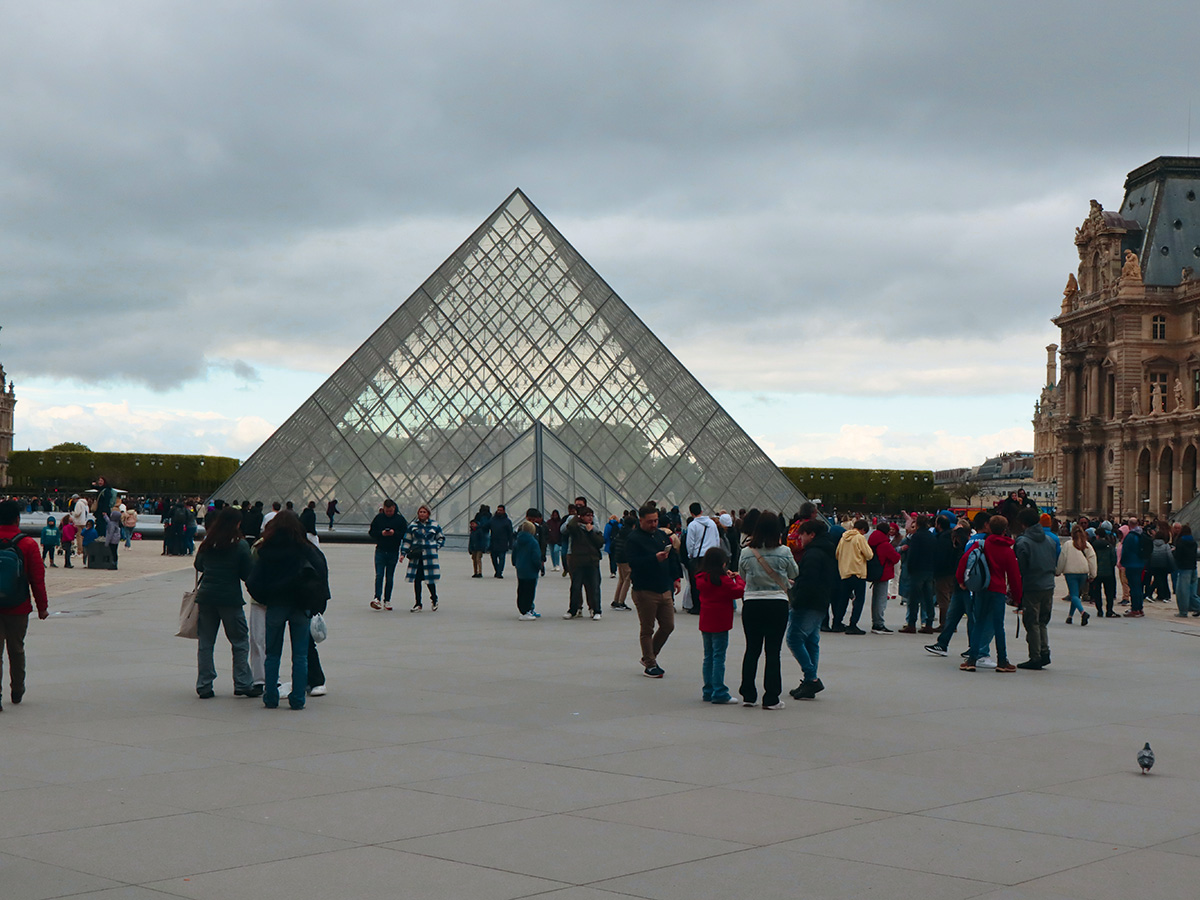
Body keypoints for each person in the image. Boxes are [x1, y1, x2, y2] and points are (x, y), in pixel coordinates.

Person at [246, 511, 329, 710]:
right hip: (300, 605)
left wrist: (266, 598)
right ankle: (298, 699)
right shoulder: (306, 549)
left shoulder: (266, 550)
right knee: (300, 656)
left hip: (276, 604)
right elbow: (321, 574)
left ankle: (270, 697)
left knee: (272, 654)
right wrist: (315, 604)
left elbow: (252, 581)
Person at [192, 507, 257, 698]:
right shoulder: (240, 545)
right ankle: (242, 682)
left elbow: (198, 565)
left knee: (205, 641)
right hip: (230, 598)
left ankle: (204, 684)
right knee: (239, 641)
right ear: (237, 523)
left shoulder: (208, 542)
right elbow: (247, 573)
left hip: (206, 597)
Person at [738, 511, 798, 709]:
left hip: (753, 602)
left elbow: (743, 576)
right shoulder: (783, 551)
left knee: (752, 649)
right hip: (776, 603)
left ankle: (748, 694)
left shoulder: (747, 552)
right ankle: (771, 697)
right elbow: (794, 572)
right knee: (773, 651)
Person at [0, 499, 50, 710]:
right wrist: (42, 607)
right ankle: (17, 689)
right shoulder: (28, 544)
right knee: (16, 650)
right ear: (18, 518)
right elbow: (37, 578)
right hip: (18, 606)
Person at [957, 515, 1021, 672]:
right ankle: (1002, 661)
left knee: (978, 623)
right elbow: (1014, 576)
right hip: (998, 590)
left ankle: (972, 659)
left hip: (982, 588)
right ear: (1005, 530)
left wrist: (961, 580)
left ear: (990, 528)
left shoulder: (980, 545)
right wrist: (1018, 598)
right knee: (999, 626)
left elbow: (964, 561)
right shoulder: (1007, 551)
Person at [625, 504, 681, 677]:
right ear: (640, 520)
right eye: (650, 521)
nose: (654, 524)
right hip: (645, 589)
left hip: (664, 587)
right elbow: (633, 563)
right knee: (647, 628)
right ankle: (650, 663)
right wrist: (654, 558)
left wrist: (676, 578)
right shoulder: (634, 539)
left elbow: (672, 557)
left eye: (656, 520)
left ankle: (650, 655)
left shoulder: (661, 535)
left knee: (668, 626)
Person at [787, 518, 838, 700]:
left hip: (808, 603)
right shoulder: (827, 550)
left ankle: (811, 678)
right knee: (811, 641)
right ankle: (810, 681)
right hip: (821, 602)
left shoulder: (813, 553)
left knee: (794, 638)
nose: (799, 537)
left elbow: (809, 581)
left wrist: (797, 599)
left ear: (812, 534)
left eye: (802, 533)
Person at [1014, 506, 1060, 668]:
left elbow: (1021, 569)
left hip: (1032, 585)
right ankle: (1044, 651)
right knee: (1042, 621)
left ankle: (1035, 656)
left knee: (1031, 622)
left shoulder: (1023, 541)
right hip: (1048, 584)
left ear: (1023, 524)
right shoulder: (1050, 540)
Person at [697, 546, 743, 704]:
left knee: (708, 656)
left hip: (706, 620)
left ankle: (708, 690)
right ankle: (719, 691)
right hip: (721, 620)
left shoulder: (702, 578)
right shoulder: (723, 581)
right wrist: (738, 578)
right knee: (719, 657)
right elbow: (738, 591)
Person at [832, 519, 873, 634]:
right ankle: (852, 625)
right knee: (859, 600)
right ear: (863, 530)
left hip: (845, 572)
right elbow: (869, 555)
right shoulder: (860, 538)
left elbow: (837, 554)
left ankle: (837, 623)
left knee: (843, 599)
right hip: (858, 572)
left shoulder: (843, 537)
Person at [563, 507, 605, 619]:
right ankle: (573, 609)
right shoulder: (576, 529)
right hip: (579, 562)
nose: (590, 517)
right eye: (587, 515)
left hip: (592, 562)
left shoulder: (595, 530)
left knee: (594, 587)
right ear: (581, 517)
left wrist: (591, 532)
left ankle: (597, 610)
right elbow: (569, 526)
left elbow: (600, 542)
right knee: (576, 587)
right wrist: (576, 516)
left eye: (591, 515)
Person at [402, 505, 445, 612]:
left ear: (428, 514)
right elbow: (407, 540)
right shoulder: (412, 525)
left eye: (424, 512)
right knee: (417, 580)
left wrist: (436, 547)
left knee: (429, 580)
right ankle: (418, 603)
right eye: (420, 512)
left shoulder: (435, 525)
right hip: (417, 557)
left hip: (429, 556)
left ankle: (434, 599)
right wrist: (403, 553)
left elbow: (441, 538)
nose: (422, 514)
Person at [899, 515, 937, 634]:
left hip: (917, 570)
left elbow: (912, 554)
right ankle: (928, 623)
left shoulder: (916, 537)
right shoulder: (932, 537)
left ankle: (911, 623)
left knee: (914, 598)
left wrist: (910, 568)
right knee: (928, 598)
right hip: (929, 570)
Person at [368, 499, 407, 610]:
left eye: (390, 511)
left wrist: (394, 533)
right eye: (387, 510)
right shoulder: (378, 518)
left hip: (393, 551)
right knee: (379, 575)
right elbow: (371, 532)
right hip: (380, 550)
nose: (389, 512)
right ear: (383, 508)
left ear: (394, 508)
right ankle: (377, 598)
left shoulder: (400, 519)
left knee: (389, 577)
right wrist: (381, 533)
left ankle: (387, 600)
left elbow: (405, 534)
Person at [1057, 525, 1097, 625]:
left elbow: (1062, 559)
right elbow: (1092, 559)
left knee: (1073, 594)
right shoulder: (1086, 545)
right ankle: (1070, 616)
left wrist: (1058, 571)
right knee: (1076, 595)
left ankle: (1083, 613)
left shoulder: (1067, 544)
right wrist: (1093, 574)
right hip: (1083, 572)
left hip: (1070, 572)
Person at [866, 521, 900, 633]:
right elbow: (895, 558)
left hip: (874, 571)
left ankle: (876, 621)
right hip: (883, 572)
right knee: (881, 599)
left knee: (875, 599)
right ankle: (878, 623)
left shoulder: (872, 540)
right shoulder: (885, 544)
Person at [512, 519, 542, 620]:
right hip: (531, 570)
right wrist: (539, 566)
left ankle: (522, 610)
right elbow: (536, 557)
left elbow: (514, 555)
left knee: (521, 590)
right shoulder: (533, 542)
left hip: (520, 569)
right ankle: (527, 610)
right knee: (529, 591)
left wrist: (515, 563)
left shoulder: (517, 540)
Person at [1120, 517, 1148, 618]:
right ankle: (1139, 608)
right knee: (1138, 586)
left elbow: (1126, 551)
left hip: (1131, 564)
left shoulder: (1131, 536)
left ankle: (1135, 608)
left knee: (1133, 587)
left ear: (1129, 525)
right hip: (1140, 563)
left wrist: (1122, 562)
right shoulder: (1142, 534)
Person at [1090, 523, 1119, 618]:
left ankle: (1099, 610)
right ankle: (1109, 610)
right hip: (1108, 572)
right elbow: (1114, 559)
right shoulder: (1109, 546)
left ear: (1097, 536)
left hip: (1096, 572)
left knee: (1097, 592)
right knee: (1109, 593)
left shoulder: (1093, 546)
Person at [609, 513, 636, 611]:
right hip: (626, 559)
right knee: (627, 580)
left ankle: (616, 600)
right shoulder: (631, 534)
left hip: (618, 558)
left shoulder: (620, 532)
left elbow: (613, 545)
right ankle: (621, 602)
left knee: (621, 579)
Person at [1173, 524, 1200, 617]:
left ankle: (1183, 612)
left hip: (1184, 569)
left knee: (1182, 592)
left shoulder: (1181, 542)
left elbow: (1178, 555)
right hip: (1193, 568)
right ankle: (1198, 607)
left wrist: (1174, 552)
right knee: (1193, 592)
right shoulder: (1193, 541)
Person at [488, 505, 514, 578]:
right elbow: (486, 527)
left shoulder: (507, 521)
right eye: (498, 510)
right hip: (493, 542)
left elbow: (510, 533)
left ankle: (499, 572)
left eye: (500, 510)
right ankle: (497, 570)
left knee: (502, 558)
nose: (499, 511)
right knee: (493, 558)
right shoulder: (492, 520)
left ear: (504, 511)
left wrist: (510, 544)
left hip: (503, 542)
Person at [468, 505, 491, 578]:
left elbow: (471, 541)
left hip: (477, 546)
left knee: (476, 559)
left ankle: (477, 572)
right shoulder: (489, 516)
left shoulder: (478, 516)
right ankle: (478, 572)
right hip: (480, 543)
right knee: (477, 559)